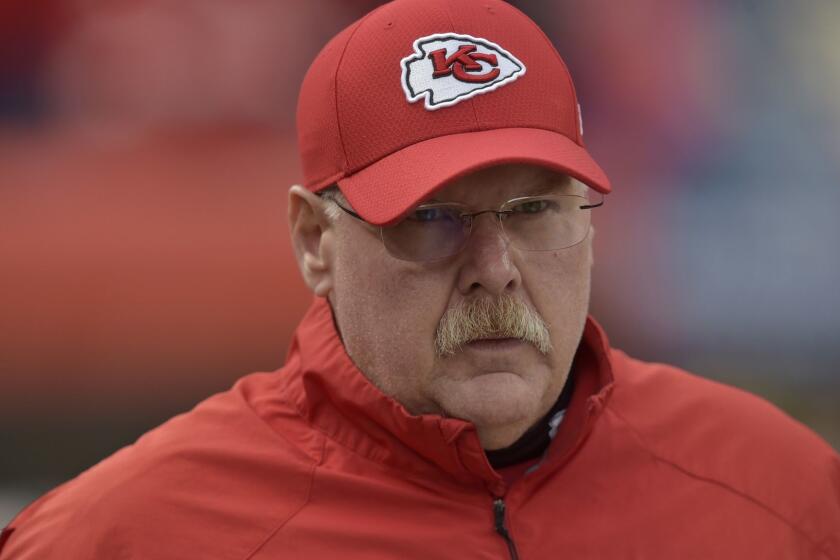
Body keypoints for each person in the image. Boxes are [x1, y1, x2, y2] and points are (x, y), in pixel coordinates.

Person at [3, 0, 839, 558]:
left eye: (534, 211)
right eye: (432, 218)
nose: (496, 272)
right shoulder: (127, 535)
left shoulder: (782, 491)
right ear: (313, 241)